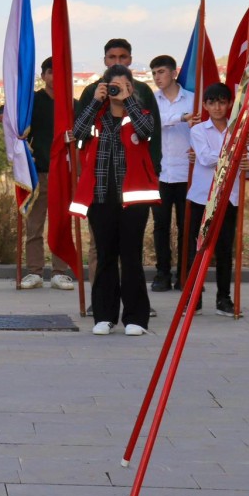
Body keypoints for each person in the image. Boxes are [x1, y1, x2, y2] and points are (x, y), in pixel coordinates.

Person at [71, 64, 160, 336]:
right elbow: (78, 133)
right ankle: (104, 315)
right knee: (106, 257)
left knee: (131, 258)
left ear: (131, 87)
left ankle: (136, 318)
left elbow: (146, 131)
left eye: (123, 86)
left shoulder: (139, 114)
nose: (117, 90)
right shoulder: (97, 118)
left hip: (133, 200)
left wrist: (129, 100)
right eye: (113, 86)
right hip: (100, 198)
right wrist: (95, 101)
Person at [3, 58, 75, 291]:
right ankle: (34, 271)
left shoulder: (71, 105)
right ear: (43, 76)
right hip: (36, 173)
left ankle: (59, 272)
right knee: (34, 226)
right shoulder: (31, 102)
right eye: (51, 72)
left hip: (63, 173)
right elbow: (3, 113)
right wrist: (17, 132)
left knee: (61, 225)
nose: (55, 77)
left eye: (60, 73)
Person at [185, 82, 249, 316]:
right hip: (202, 198)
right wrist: (234, 155)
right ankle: (193, 297)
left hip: (229, 198)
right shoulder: (198, 130)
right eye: (212, 102)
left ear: (229, 105)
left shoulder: (240, 131)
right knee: (197, 248)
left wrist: (247, 164)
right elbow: (205, 158)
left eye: (222, 102)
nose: (217, 107)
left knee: (225, 249)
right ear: (205, 105)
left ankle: (223, 298)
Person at [149, 54, 194, 292]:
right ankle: (162, 273)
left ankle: (185, 274)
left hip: (187, 173)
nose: (157, 77)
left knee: (186, 226)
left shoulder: (192, 100)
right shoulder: (152, 100)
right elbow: (153, 122)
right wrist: (180, 118)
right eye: (154, 73)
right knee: (161, 226)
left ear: (174, 72)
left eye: (162, 72)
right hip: (161, 173)